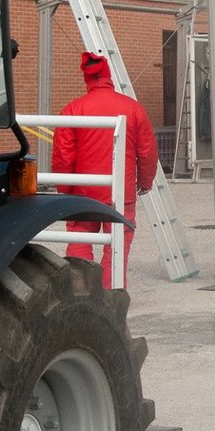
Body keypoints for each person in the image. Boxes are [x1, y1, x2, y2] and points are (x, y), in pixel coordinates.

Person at [53, 50, 158, 287]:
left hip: (83, 192)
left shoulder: (73, 109)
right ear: (108, 74)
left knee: (79, 237)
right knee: (117, 244)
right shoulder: (133, 109)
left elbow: (63, 156)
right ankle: (113, 294)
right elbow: (147, 152)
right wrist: (145, 181)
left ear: (86, 77)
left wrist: (65, 188)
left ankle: (81, 291)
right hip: (121, 191)